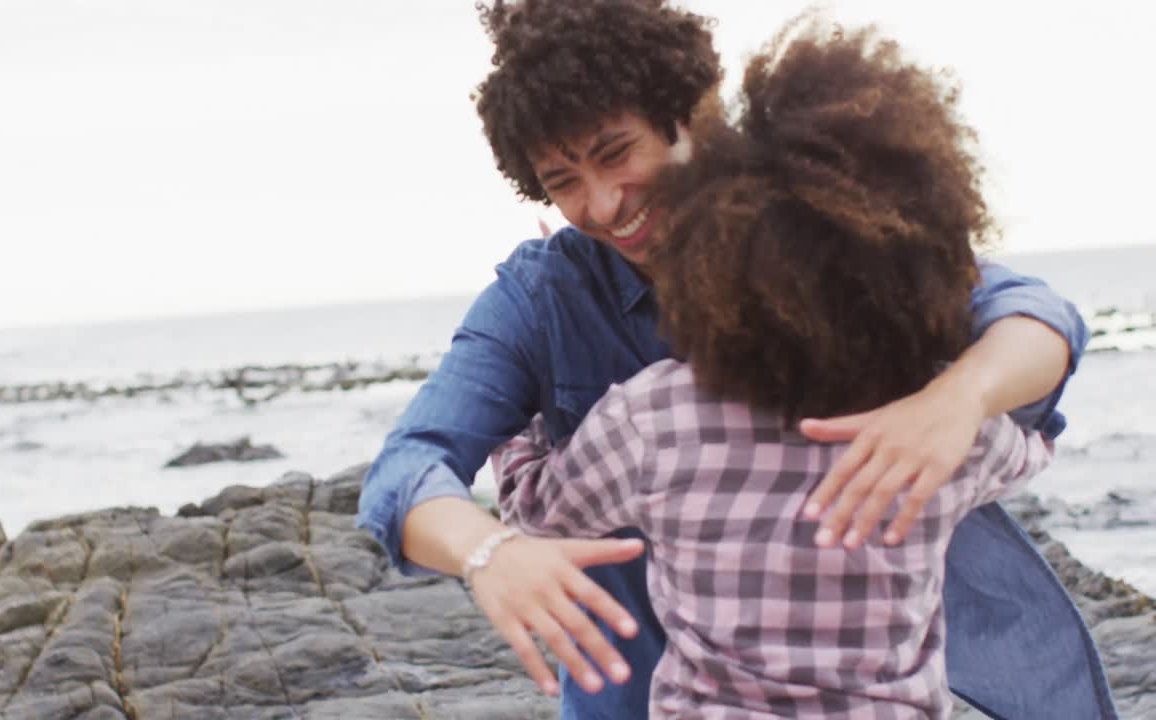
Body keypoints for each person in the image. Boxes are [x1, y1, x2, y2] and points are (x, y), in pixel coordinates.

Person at [357, 1, 1112, 718]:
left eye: (617, 154)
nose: (603, 204)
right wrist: (489, 551)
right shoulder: (543, 299)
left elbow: (1039, 318)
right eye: (563, 183)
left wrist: (959, 399)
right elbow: (408, 468)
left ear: (688, 115)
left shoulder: (821, 223)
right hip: (625, 689)